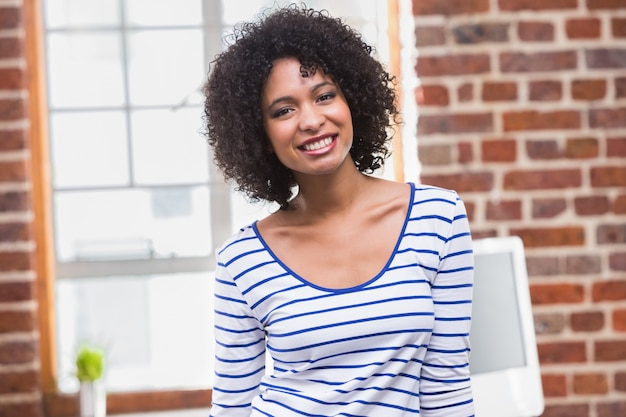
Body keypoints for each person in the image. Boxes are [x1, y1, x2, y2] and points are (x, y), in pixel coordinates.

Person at [203, 5, 474, 416]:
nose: (311, 120)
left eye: (324, 95)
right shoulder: (242, 261)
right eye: (283, 110)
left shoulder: (438, 218)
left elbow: (447, 388)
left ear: (352, 98)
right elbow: (232, 407)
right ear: (258, 133)